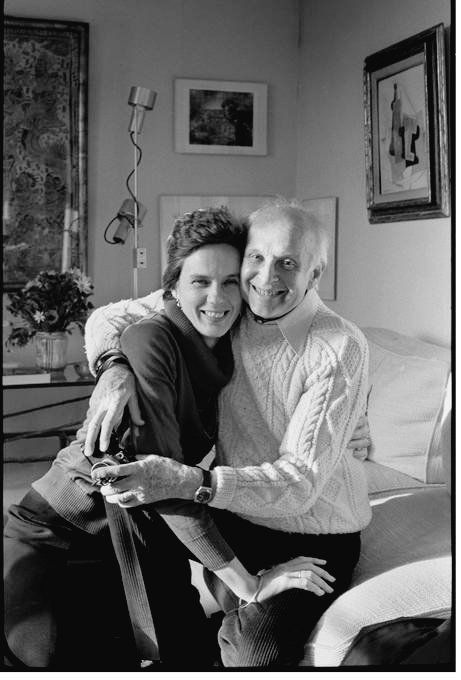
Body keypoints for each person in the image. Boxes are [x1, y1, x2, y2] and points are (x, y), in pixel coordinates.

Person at [3, 207, 335, 670]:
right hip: (64, 531)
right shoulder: (148, 342)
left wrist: (351, 424)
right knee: (46, 659)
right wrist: (249, 584)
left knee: (179, 654)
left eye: (230, 281)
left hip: (141, 530)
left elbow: (314, 361)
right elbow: (163, 478)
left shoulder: (233, 338)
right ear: (172, 290)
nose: (216, 298)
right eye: (200, 281)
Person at [82, 197, 372, 668]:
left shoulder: (337, 346)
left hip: (312, 533)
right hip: (236, 515)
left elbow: (299, 483)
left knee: (257, 653)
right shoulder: (230, 306)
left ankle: (227, 609)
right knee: (132, 493)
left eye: (288, 263)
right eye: (256, 258)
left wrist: (197, 484)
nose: (267, 278)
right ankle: (167, 650)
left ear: (315, 274)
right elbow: (108, 317)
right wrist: (113, 367)